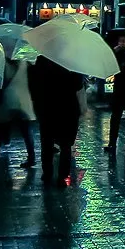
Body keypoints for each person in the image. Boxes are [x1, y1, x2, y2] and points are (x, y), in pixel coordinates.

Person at [30, 55, 84, 186]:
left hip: (47, 108)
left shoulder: (42, 59)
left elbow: (34, 83)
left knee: (47, 142)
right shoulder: (72, 60)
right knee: (66, 145)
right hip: (68, 108)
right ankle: (62, 176)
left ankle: (47, 172)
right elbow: (78, 84)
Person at [0, 57, 37, 169]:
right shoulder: (26, 63)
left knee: (1, 126)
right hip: (23, 101)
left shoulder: (3, 63)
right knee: (26, 131)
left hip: (8, 99)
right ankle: (31, 158)